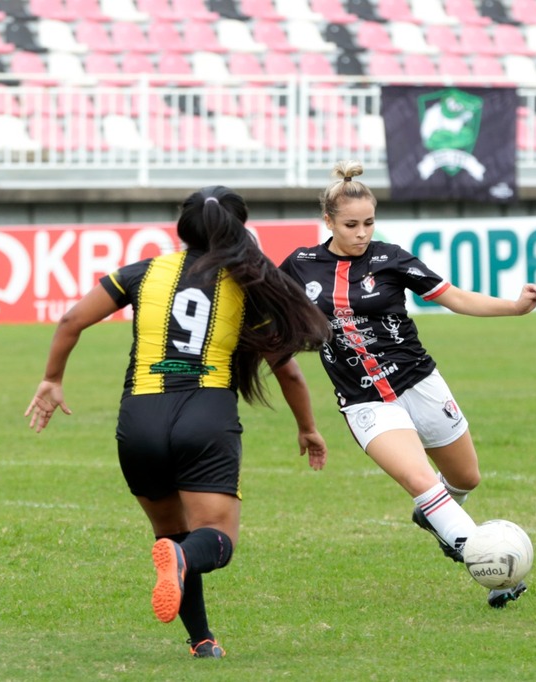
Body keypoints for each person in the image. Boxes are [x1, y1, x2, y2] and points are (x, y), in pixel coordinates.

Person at [25, 186, 330, 658]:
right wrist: (307, 428)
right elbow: (287, 370)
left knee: (171, 536)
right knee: (215, 541)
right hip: (204, 415)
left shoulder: (142, 273)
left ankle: (202, 641)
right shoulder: (247, 281)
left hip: (139, 419)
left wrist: (51, 379)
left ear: (182, 227)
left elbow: (70, 320)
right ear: (238, 226)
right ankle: (185, 562)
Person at [278, 161, 536, 608]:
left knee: (465, 477)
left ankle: (436, 517)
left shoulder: (391, 258)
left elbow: (455, 297)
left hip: (420, 382)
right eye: (350, 224)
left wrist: (515, 307)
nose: (361, 232)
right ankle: (492, 567)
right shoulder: (299, 266)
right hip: (364, 400)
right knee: (423, 480)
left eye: (368, 223)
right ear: (327, 221)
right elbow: (266, 310)